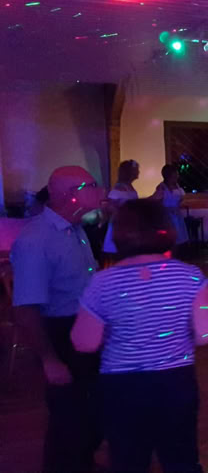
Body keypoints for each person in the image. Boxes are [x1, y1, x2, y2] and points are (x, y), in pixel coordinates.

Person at [70, 199, 208, 472]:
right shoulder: (190, 276)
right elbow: (207, 333)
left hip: (122, 385)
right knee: (181, 459)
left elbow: (84, 342)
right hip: (176, 381)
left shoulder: (103, 282)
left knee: (128, 460)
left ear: (119, 233)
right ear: (166, 229)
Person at [11, 166, 105, 472]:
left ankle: (82, 463)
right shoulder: (37, 240)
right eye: (91, 185)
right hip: (61, 332)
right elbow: (26, 309)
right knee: (68, 416)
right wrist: (49, 359)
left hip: (83, 328)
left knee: (90, 410)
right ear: (70, 195)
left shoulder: (75, 228)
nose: (99, 191)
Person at [102, 160, 140, 259]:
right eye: (136, 170)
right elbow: (108, 206)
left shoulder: (129, 186)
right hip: (120, 226)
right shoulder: (119, 188)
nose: (138, 172)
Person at [151, 164, 189, 256]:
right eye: (175, 174)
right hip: (167, 216)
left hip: (177, 215)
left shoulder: (177, 186)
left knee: (179, 238)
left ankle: (177, 258)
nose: (177, 175)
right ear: (169, 175)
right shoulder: (162, 187)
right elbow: (156, 201)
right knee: (170, 239)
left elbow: (180, 199)